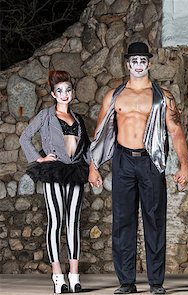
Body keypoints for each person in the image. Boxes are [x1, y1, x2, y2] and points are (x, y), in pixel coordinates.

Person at [88, 42, 188, 295]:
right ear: (127, 64)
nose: (138, 65)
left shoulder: (162, 96)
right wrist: (93, 166)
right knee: (123, 221)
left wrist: (185, 165)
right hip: (123, 160)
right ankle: (126, 282)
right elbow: (99, 133)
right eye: (134, 60)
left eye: (142, 60)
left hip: (150, 160)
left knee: (154, 219)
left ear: (149, 64)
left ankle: (156, 282)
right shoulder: (114, 95)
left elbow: (175, 131)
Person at [19, 70, 90, 293]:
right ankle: (58, 277)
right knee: (56, 221)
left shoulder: (78, 119)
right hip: (54, 171)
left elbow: (85, 148)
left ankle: (74, 276)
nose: (64, 94)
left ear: (72, 92)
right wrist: (39, 158)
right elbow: (25, 137)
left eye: (68, 90)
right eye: (60, 91)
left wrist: (92, 170)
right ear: (53, 93)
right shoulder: (46, 115)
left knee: (73, 223)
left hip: (76, 171)